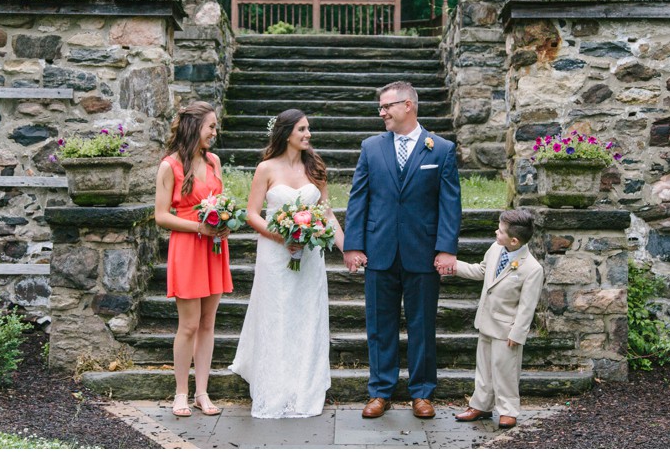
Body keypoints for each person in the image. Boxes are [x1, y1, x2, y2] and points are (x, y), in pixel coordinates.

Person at [343, 81, 461, 419]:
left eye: (386, 107)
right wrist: (353, 245)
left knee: (422, 325)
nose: (381, 113)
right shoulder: (371, 147)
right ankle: (380, 391)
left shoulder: (440, 149)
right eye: (380, 107)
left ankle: (422, 393)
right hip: (379, 251)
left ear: (408, 105)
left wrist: (446, 249)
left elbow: (450, 204)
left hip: (423, 253)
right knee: (380, 326)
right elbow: (359, 199)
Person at [229, 109, 344, 418]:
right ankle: (274, 389)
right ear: (287, 132)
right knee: (276, 316)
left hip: (308, 255)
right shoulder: (266, 168)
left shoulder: (316, 168)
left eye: (308, 129)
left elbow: (327, 213)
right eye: (302, 129)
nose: (308, 134)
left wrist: (348, 248)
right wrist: (282, 238)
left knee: (307, 316)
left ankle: (303, 388)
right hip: (275, 254)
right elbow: (253, 213)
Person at [154, 102, 233, 418]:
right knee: (187, 325)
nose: (215, 132)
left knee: (207, 323)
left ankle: (202, 392)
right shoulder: (169, 166)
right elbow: (161, 216)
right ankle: (181, 392)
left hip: (213, 248)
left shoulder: (214, 161)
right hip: (188, 246)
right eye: (211, 126)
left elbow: (222, 201)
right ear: (194, 127)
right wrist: (198, 227)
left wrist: (224, 221)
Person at [452, 208, 543, 429]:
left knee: (505, 371)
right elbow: (481, 271)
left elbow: (526, 306)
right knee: (484, 368)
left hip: (507, 329)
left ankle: (508, 410)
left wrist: (517, 333)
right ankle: (481, 405)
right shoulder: (495, 249)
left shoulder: (532, 268)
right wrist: (453, 266)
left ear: (514, 240)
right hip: (486, 321)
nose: (496, 232)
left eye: (500, 231)